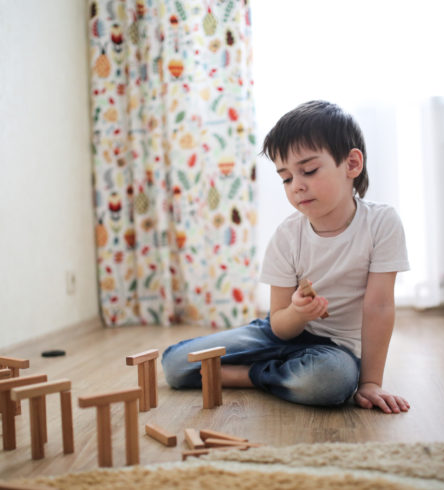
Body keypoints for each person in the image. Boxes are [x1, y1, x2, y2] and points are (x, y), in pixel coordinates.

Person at [161, 100, 410, 414]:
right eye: (286, 178)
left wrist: (371, 382)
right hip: (280, 332)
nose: (297, 186)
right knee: (173, 366)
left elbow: (379, 306)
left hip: (335, 351)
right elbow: (279, 326)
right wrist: (298, 313)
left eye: (308, 170)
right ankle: (276, 371)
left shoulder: (381, 223)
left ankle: (248, 375)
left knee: (331, 381)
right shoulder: (287, 236)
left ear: (351, 165)